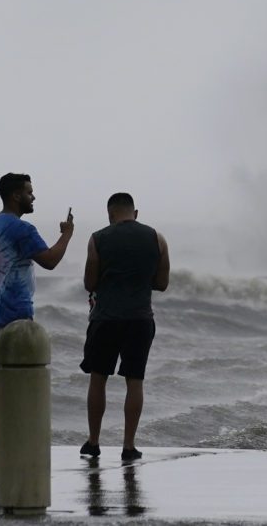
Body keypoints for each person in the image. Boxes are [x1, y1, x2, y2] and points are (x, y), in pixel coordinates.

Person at [0, 172, 74, 448]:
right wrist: (66, 236)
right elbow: (50, 261)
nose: (33, 197)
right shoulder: (22, 229)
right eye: (30, 192)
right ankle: (3, 428)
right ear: (16, 195)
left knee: (2, 370)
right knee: (15, 372)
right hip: (14, 309)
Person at [79, 192, 170, 460]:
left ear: (110, 214)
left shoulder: (98, 238)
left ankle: (93, 442)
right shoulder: (157, 238)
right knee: (135, 381)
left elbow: (89, 282)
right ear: (135, 213)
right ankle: (128, 446)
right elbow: (162, 284)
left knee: (98, 379)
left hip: (105, 318)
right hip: (140, 318)